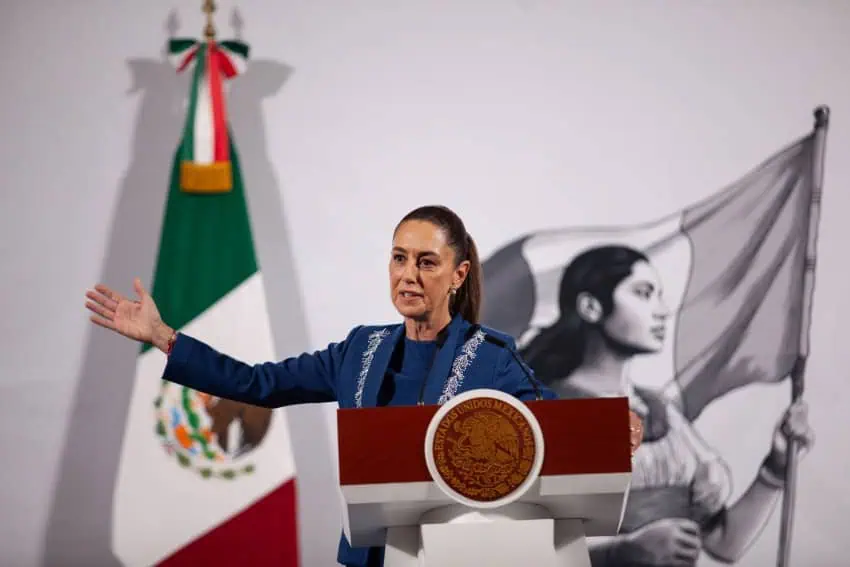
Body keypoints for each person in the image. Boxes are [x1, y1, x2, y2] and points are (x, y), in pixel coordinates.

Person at [85, 204, 559, 567]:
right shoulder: (359, 350)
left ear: (458, 275)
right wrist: (163, 337)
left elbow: (552, 429)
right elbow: (257, 383)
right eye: (399, 258)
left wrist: (610, 426)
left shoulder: (493, 356)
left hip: (453, 557)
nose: (408, 275)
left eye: (427, 262)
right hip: (365, 557)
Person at [520, 244, 815, 567]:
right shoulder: (555, 411)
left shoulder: (662, 413)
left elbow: (722, 543)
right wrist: (619, 554)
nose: (662, 310)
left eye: (659, 294)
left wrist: (775, 467)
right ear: (591, 307)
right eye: (644, 293)